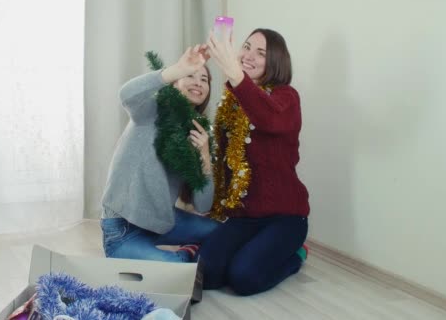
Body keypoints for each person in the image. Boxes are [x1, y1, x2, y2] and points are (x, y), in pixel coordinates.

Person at [200, 28, 310, 295]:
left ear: (275, 62)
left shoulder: (287, 98)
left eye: (260, 53)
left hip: (285, 217)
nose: (248, 55)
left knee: (244, 278)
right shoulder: (234, 102)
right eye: (246, 47)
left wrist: (233, 73)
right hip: (244, 216)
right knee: (209, 274)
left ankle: (297, 255)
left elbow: (267, 117)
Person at [100, 45, 219, 263]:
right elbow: (126, 94)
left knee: (221, 234)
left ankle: (185, 255)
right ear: (175, 83)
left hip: (162, 222)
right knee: (177, 269)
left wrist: (204, 156)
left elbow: (203, 205)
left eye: (204, 80)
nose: (198, 82)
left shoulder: (197, 134)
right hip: (122, 229)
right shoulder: (152, 110)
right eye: (190, 75)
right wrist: (178, 68)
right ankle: (186, 255)